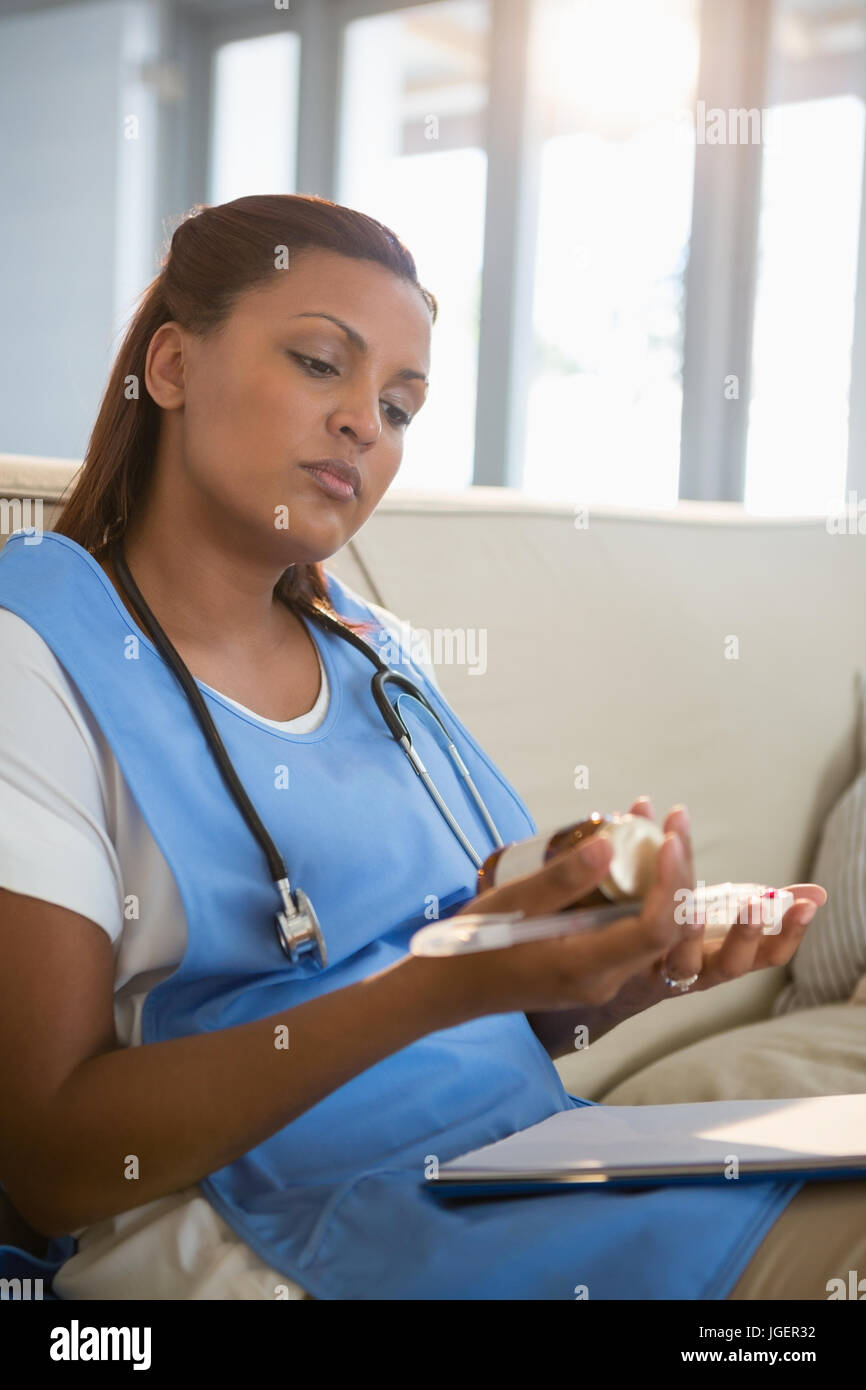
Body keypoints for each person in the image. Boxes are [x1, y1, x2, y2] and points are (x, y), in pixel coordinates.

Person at [0, 194, 857, 1301]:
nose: (364, 422)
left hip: (513, 1168)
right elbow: (52, 1165)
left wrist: (623, 971)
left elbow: (494, 1019)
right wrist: (438, 983)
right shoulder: (38, 656)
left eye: (400, 406)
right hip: (269, 1237)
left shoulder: (380, 654)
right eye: (319, 363)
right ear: (169, 365)